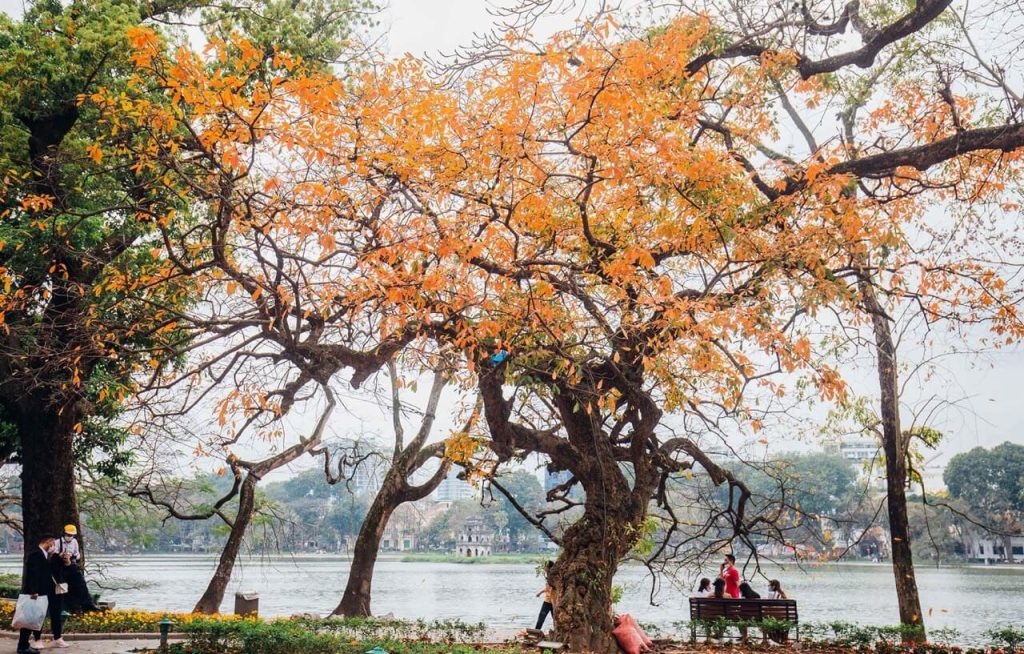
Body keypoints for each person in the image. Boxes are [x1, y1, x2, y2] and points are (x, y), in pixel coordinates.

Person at [18, 537, 61, 654]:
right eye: (52, 544)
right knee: (29, 618)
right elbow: (33, 574)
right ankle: (22, 647)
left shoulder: (42, 555)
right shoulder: (36, 554)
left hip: (40, 592)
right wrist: (34, 591)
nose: (53, 546)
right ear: (47, 542)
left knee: (31, 618)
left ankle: (24, 645)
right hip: (35, 593)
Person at [56, 524, 98, 612]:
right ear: (64, 533)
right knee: (63, 587)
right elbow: (53, 556)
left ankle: (88, 605)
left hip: (72, 565)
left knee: (81, 583)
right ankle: (66, 608)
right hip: (60, 567)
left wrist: (72, 557)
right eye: (68, 535)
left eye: (72, 535)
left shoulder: (74, 542)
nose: (70, 537)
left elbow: (77, 554)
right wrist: (61, 556)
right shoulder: (57, 542)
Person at [534, 561, 554, 630]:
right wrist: (540, 593)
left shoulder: (553, 577)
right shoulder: (549, 576)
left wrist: (540, 592)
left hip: (552, 602)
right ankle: (536, 632)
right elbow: (547, 588)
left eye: (545, 566)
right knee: (541, 618)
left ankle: (536, 631)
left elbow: (549, 588)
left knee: (543, 618)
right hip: (548, 601)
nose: (544, 568)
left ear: (549, 567)